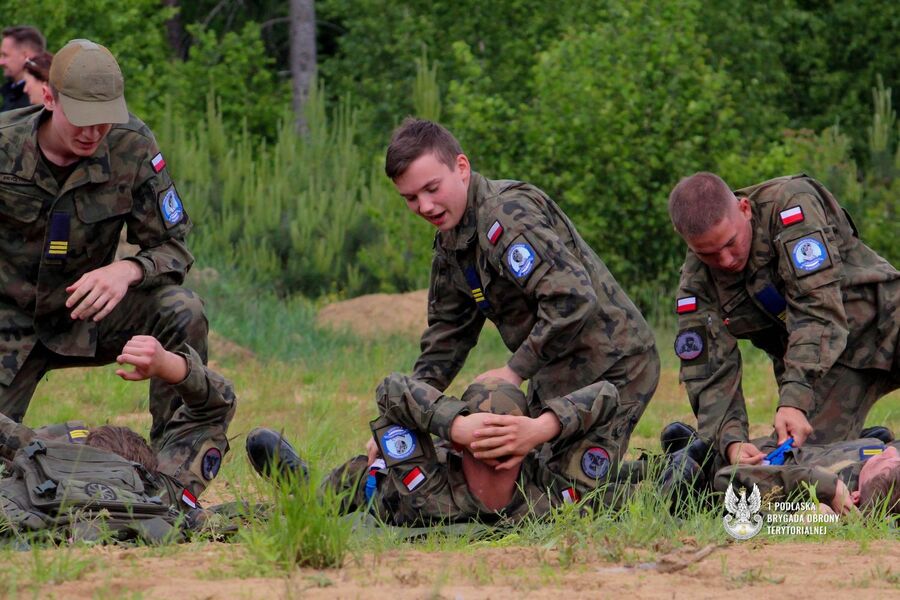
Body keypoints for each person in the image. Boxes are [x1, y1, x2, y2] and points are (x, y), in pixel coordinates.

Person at [382, 119, 659, 482]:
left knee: (568, 494)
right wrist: (410, 414)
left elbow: (572, 298)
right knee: (523, 476)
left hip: (614, 365)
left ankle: (685, 472)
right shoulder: (451, 241)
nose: (425, 206)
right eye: (411, 198)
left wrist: (514, 370)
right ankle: (656, 467)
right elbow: (447, 337)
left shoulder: (506, 216)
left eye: (432, 188)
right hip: (556, 370)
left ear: (461, 168)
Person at [0, 39, 207, 448]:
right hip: (10, 320)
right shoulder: (5, 147)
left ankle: (172, 471)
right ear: (48, 98)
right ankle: (48, 448)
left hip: (89, 315)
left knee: (182, 310)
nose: (94, 133)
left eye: (105, 119)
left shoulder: (132, 146)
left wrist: (126, 269)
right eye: (81, 119)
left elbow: (175, 248)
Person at [667, 172, 899, 466]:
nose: (725, 260)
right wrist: (730, 441)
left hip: (886, 319)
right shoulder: (696, 284)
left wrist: (794, 398)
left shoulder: (790, 204)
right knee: (796, 458)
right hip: (830, 368)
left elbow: (818, 309)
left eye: (730, 243)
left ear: (745, 209)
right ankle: (686, 465)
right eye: (708, 253)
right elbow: (709, 369)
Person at [247, 376, 632, 525]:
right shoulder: (433, 481)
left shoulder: (542, 494)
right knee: (321, 501)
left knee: (629, 483)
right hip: (366, 486)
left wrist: (540, 428)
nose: (494, 457)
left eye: (506, 442)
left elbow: (608, 395)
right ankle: (304, 481)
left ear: (525, 450)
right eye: (483, 445)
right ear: (460, 450)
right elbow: (391, 389)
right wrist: (455, 424)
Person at [0, 335, 235, 510]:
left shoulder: (39, 470)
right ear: (149, 472)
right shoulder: (164, 496)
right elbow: (217, 406)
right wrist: (168, 364)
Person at [712, 435, 900, 517]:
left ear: (856, 496)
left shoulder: (825, 498)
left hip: (720, 456)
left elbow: (727, 480)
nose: (890, 451)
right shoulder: (886, 472)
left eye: (884, 460)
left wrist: (825, 486)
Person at [0, 25, 45, 112]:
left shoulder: (39, 101)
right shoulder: (9, 94)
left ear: (26, 56)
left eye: (5, 55)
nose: (1, 62)